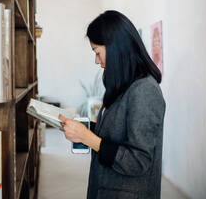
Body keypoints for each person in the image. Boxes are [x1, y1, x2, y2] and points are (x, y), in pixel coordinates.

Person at [59, 10, 166, 199]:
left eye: (97, 52)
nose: (96, 60)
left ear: (116, 49)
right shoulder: (122, 84)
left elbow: (138, 160)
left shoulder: (144, 91)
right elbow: (115, 133)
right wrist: (82, 130)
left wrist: (88, 138)